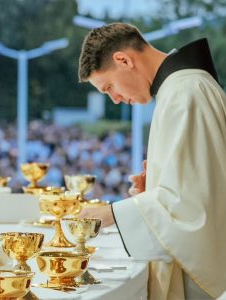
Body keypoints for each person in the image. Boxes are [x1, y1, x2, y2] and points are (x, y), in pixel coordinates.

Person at [77, 23, 226, 299]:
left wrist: (113, 214)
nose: (116, 99)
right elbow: (199, 185)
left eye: (109, 87)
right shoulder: (179, 90)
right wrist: (154, 191)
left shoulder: (185, 94)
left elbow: (193, 207)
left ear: (123, 60)